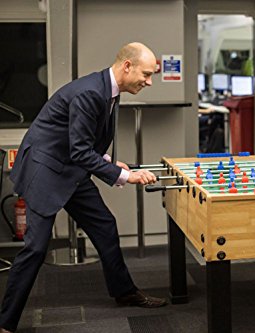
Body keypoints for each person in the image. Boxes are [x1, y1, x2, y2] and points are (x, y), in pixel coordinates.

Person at [0, 42, 166, 333]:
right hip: (46, 170)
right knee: (36, 249)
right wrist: (125, 176)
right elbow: (79, 151)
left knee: (104, 225)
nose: (149, 82)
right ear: (127, 66)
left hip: (70, 167)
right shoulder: (91, 92)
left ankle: (124, 291)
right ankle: (5, 323)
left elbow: (80, 140)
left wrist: (111, 162)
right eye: (147, 74)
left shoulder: (109, 90)